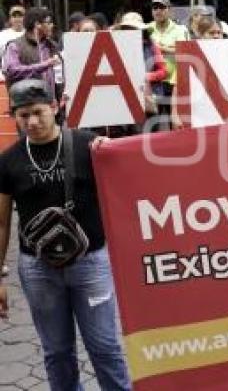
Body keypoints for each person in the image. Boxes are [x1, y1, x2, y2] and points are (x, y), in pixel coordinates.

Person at [0, 79, 131, 391]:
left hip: (90, 264)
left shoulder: (88, 145)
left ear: (55, 108)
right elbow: (2, 223)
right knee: (57, 353)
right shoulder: (8, 161)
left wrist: (112, 154)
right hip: (38, 269)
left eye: (38, 112)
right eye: (22, 115)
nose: (31, 122)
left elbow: (127, 190)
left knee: (105, 349)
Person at [146, 0, 189, 131]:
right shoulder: (146, 29)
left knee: (175, 125)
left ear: (169, 10)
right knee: (152, 124)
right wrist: (169, 48)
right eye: (155, 8)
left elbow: (183, 52)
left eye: (162, 7)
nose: (158, 11)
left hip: (174, 82)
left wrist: (159, 48)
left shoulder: (180, 29)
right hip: (153, 83)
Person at [2, 8, 61, 92]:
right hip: (26, 101)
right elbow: (13, 71)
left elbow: (58, 75)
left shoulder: (51, 45)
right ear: (37, 24)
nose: (52, 25)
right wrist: (44, 65)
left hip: (50, 101)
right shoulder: (14, 46)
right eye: (48, 23)